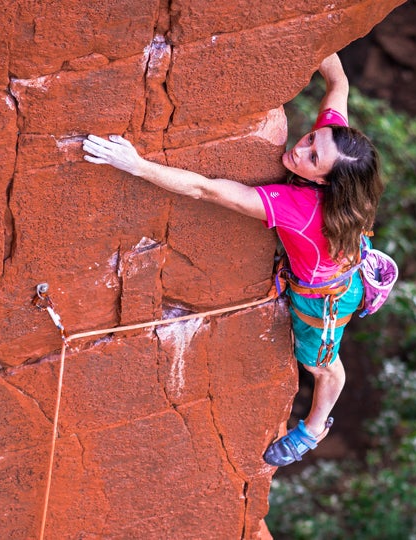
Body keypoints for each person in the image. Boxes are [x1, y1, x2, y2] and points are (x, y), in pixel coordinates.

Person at [82, 53, 384, 467]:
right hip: (340, 261)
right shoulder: (336, 146)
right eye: (312, 139)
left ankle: (313, 430)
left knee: (322, 367)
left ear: (323, 182)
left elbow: (206, 190)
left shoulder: (300, 208)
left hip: (323, 300)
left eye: (313, 158)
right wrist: (317, 43)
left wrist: (135, 165)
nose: (303, 147)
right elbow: (339, 82)